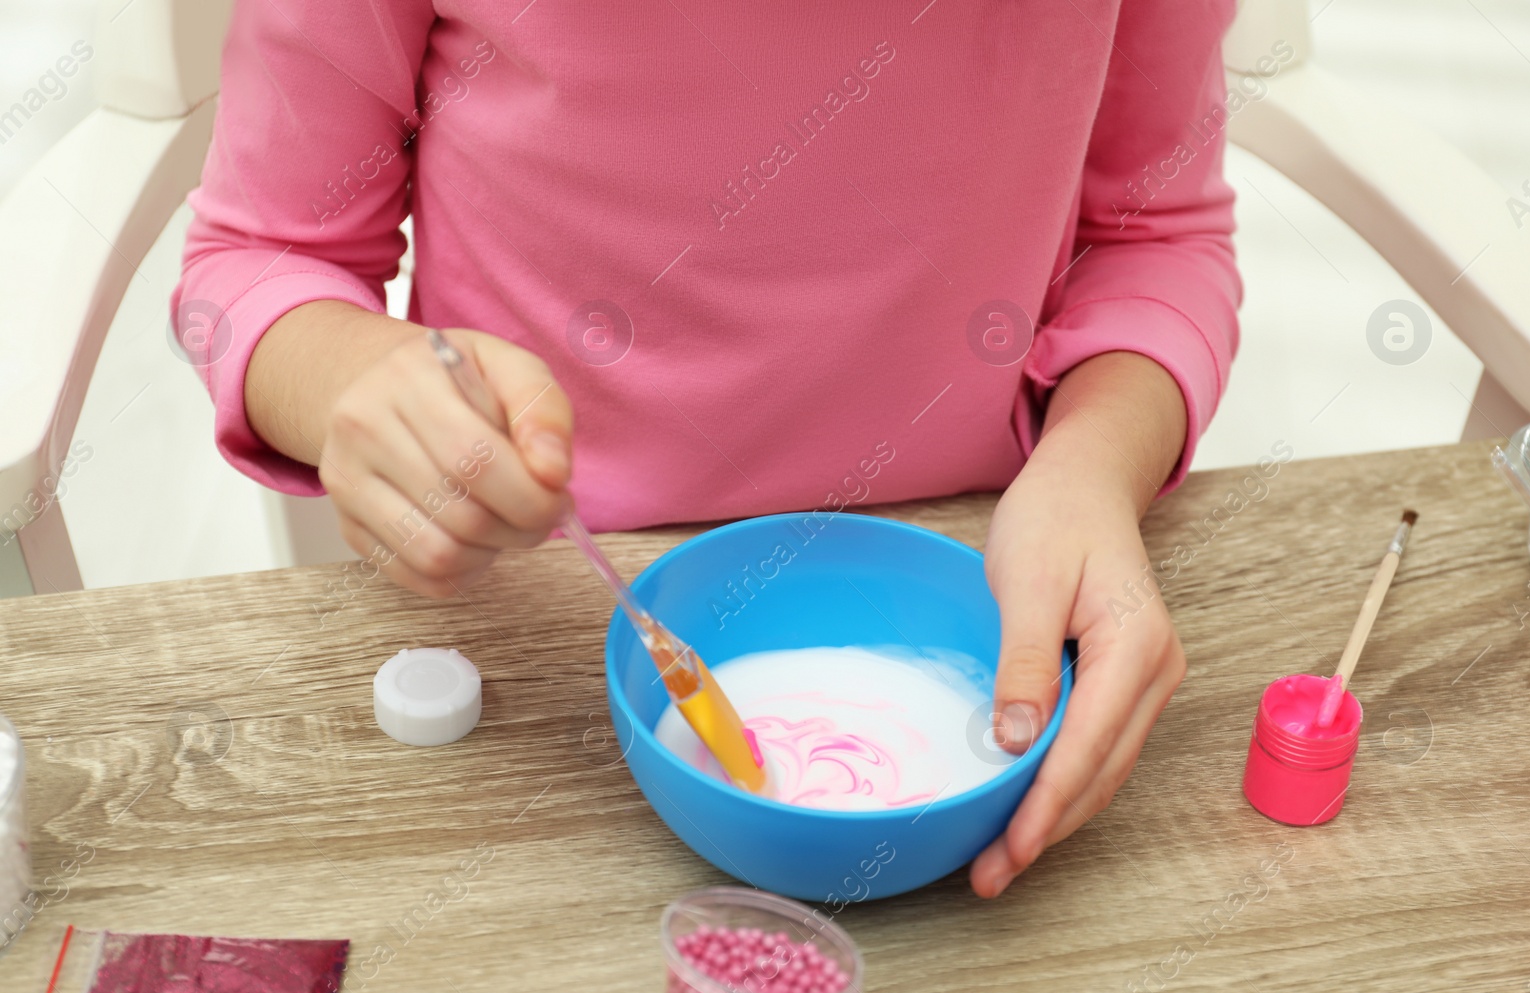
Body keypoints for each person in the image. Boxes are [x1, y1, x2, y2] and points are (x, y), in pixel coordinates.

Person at [175, 0, 1241, 897]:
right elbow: (255, 257)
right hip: (532, 617)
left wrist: (1094, 464)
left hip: (991, 576)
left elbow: (1154, 233)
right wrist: (351, 376)